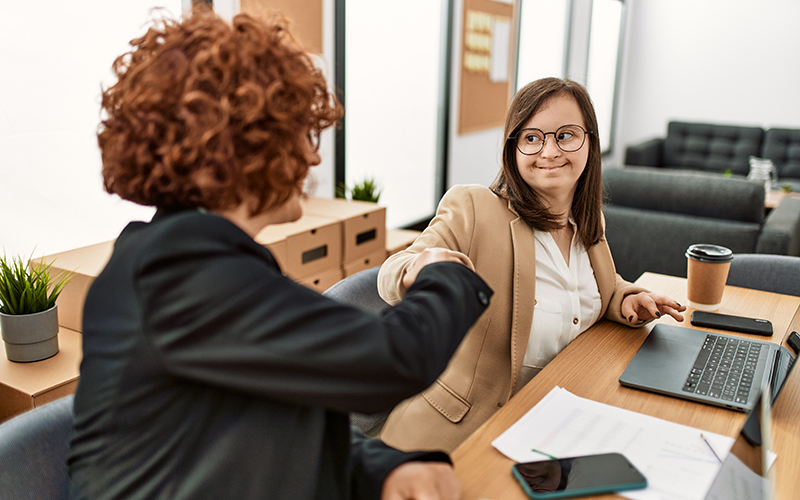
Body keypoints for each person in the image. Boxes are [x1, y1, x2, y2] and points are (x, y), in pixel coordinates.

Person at [67, 10, 493, 500]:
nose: (313, 158)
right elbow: (389, 360)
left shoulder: (198, 262)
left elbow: (277, 415)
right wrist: (440, 271)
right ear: (234, 147)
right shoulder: (176, 273)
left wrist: (383, 468)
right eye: (299, 136)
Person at [377, 77, 687, 453]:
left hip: (556, 421)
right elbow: (395, 269)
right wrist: (420, 268)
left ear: (590, 141)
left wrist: (625, 299)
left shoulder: (588, 220)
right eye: (532, 138)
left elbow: (591, 288)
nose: (550, 151)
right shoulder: (475, 209)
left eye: (566, 135)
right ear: (514, 149)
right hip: (465, 434)